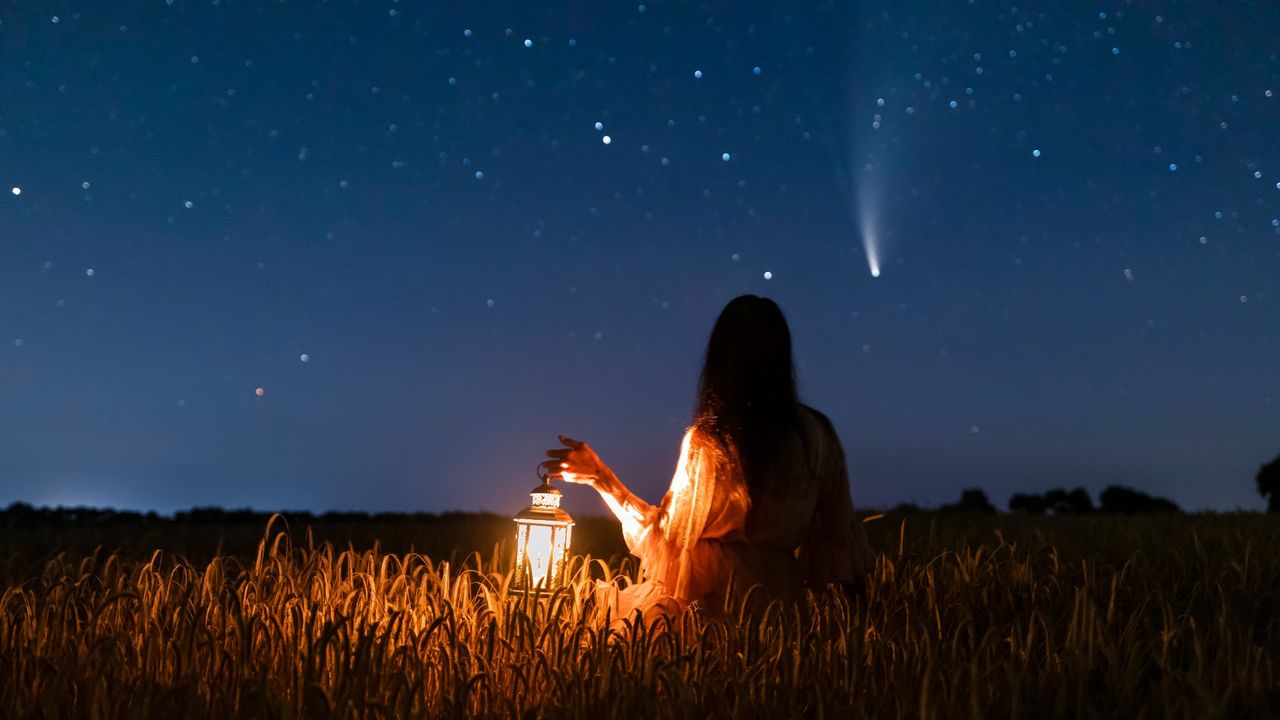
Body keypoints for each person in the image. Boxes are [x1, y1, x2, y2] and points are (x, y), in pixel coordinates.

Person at [542, 295, 874, 622]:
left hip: (712, 610)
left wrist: (603, 479)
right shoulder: (818, 434)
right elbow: (840, 540)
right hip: (783, 613)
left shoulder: (711, 441)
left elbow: (668, 541)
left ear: (720, 359)